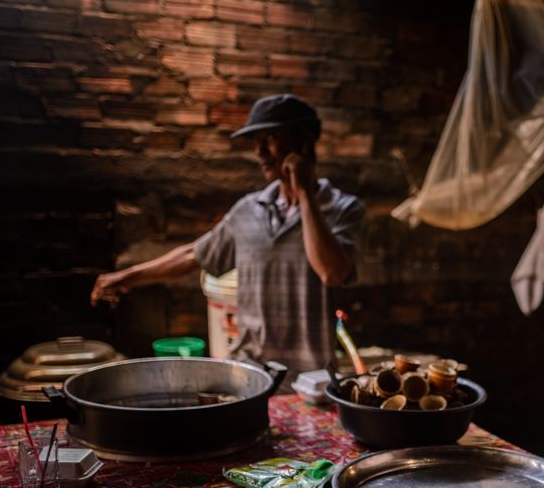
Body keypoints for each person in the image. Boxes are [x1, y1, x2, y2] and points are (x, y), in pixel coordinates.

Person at [91, 94, 365, 377]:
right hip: (251, 371)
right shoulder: (248, 210)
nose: (259, 151)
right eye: (255, 141)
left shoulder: (343, 209)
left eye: (270, 138)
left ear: (304, 141)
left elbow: (332, 273)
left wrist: (305, 192)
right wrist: (128, 276)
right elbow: (193, 254)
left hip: (311, 378)